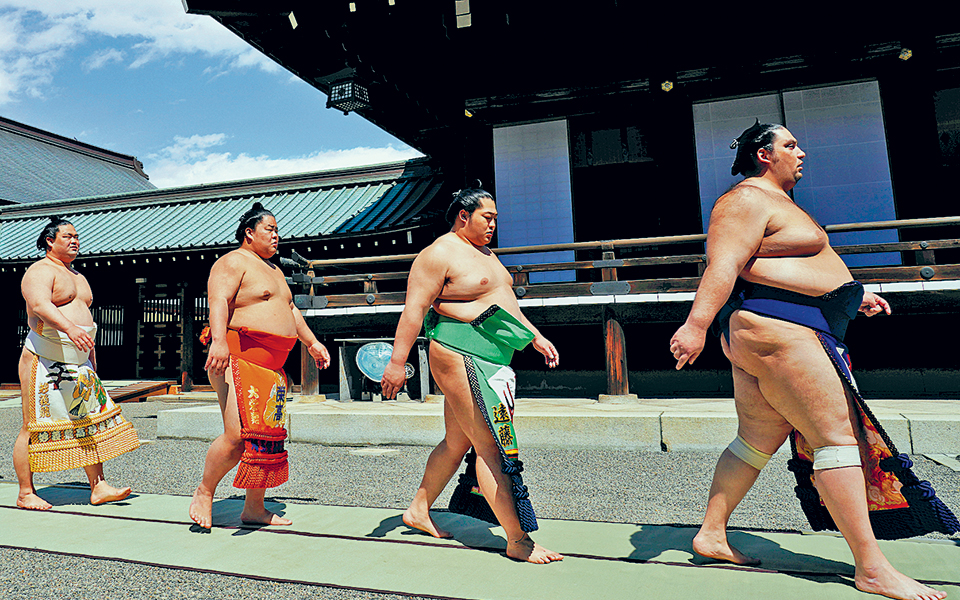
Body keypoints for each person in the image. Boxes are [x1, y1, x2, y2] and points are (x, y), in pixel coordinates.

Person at [670, 121, 951, 600]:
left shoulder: (775, 204)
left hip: (786, 324)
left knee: (757, 437)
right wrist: (696, 325)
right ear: (764, 154)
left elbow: (777, 265)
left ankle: (712, 532)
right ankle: (871, 567)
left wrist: (848, 296)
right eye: (790, 145)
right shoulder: (745, 200)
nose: (801, 153)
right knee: (836, 437)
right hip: (780, 329)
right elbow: (723, 262)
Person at [381, 188, 562, 564]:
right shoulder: (438, 254)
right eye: (487, 217)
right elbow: (413, 309)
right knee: (491, 445)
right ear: (463, 215)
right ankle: (518, 539)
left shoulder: (487, 255)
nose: (493, 224)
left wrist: (535, 337)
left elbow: (504, 303)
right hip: (458, 352)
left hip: (494, 355)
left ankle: (418, 509)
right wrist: (397, 363)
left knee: (456, 442)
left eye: (495, 218)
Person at [189, 203, 330, 529]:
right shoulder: (233, 262)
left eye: (278, 230)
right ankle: (205, 492)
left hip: (272, 367)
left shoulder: (275, 271)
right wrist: (220, 342)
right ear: (249, 233)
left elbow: (291, 309)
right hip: (238, 356)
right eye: (270, 229)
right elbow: (219, 302)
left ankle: (254, 508)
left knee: (265, 437)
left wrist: (311, 342)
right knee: (237, 435)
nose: (276, 236)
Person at [16, 217, 140, 510]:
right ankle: (25, 492)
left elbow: (87, 320)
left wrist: (91, 358)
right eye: (67, 236)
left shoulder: (79, 277)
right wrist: (70, 328)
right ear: (50, 241)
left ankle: (99, 487)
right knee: (31, 425)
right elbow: (39, 306)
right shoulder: (39, 271)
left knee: (87, 418)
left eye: (76, 237)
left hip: (78, 359)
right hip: (44, 356)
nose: (75, 241)